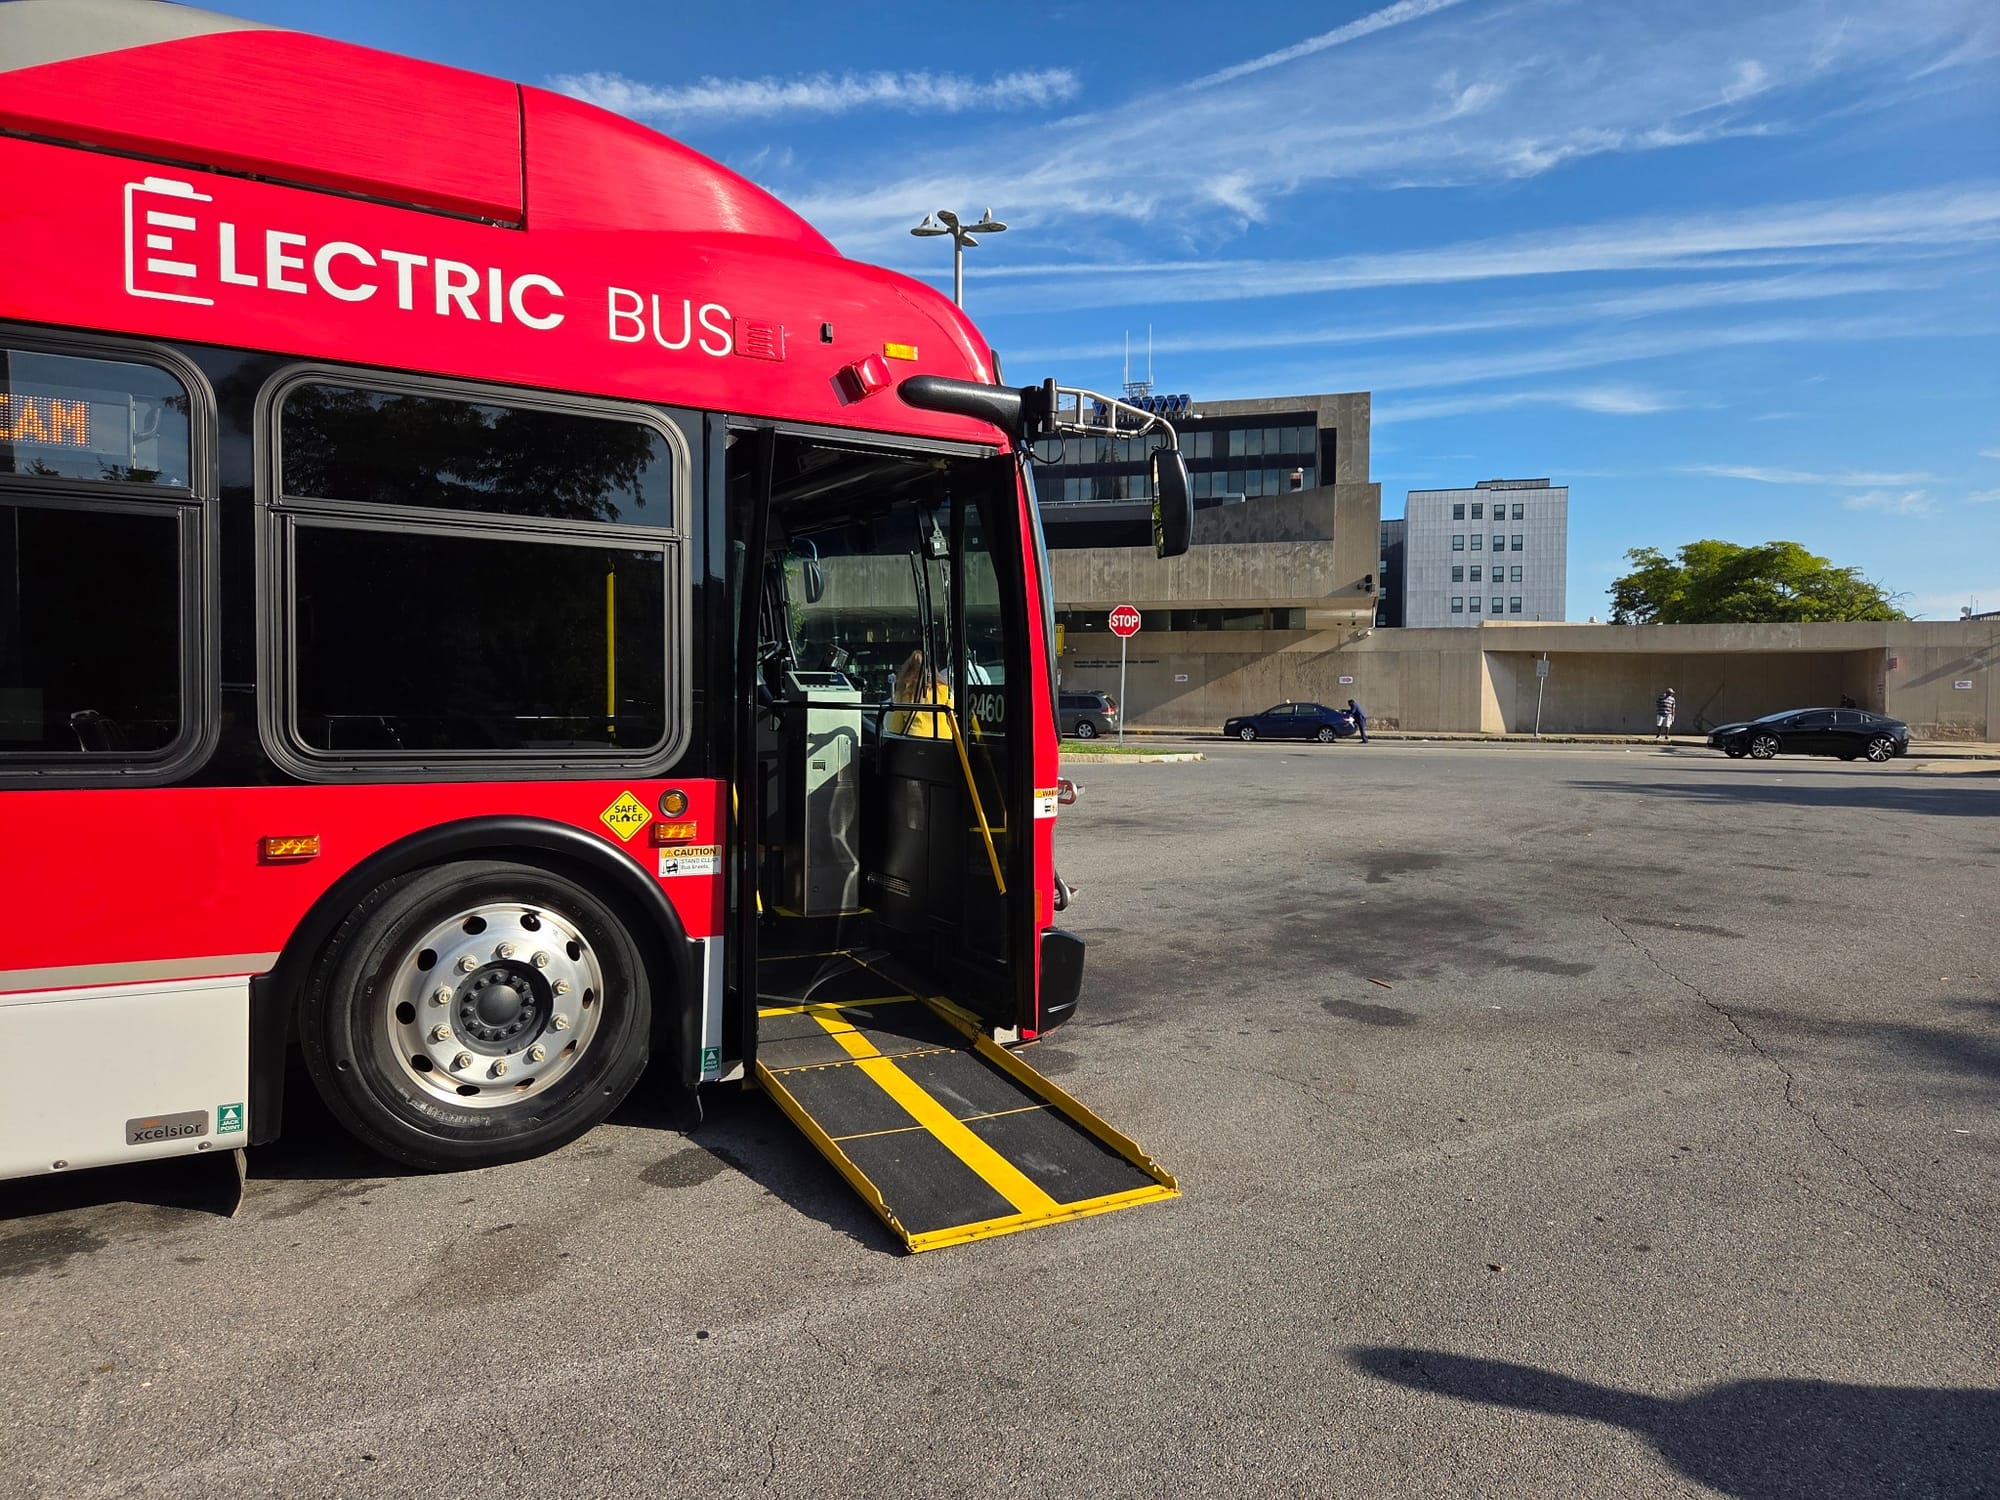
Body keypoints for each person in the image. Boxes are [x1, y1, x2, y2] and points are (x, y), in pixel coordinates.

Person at [888, 649, 952, 738]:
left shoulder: (903, 693)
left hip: (914, 742)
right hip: (944, 740)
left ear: (907, 670)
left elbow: (894, 727)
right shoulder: (944, 690)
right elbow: (953, 720)